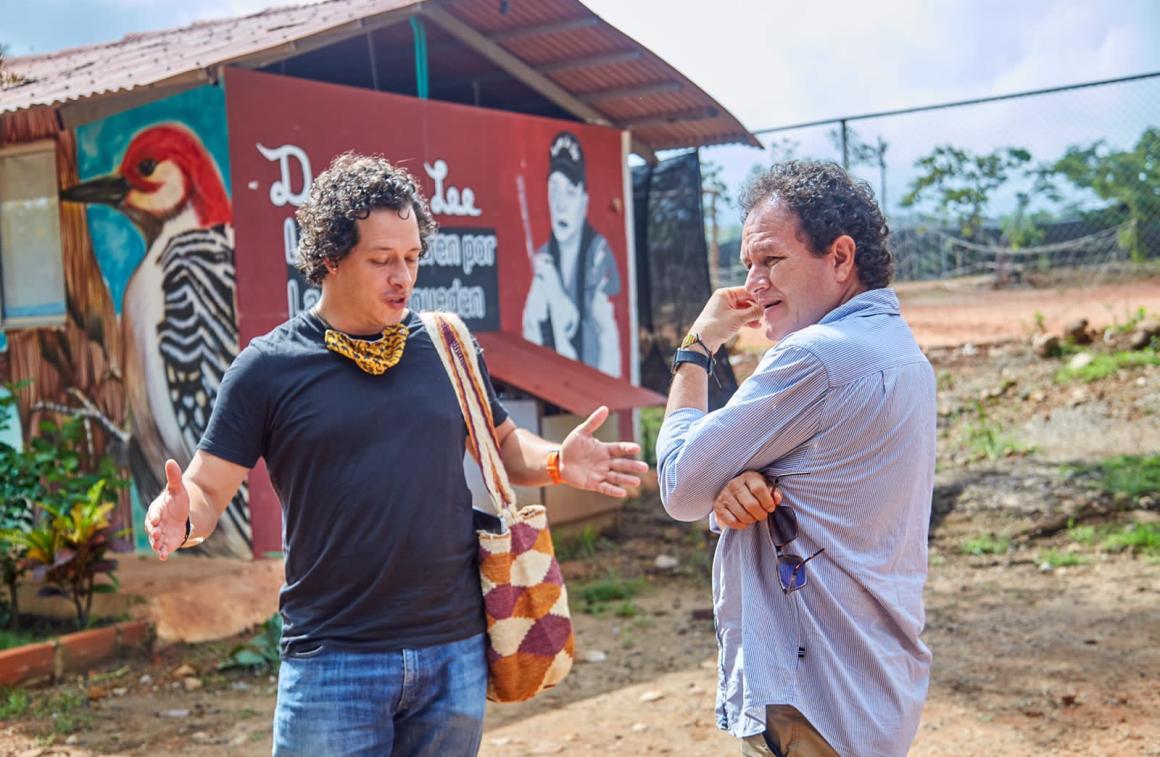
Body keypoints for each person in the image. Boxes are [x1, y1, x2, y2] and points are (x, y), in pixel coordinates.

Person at [144, 153, 648, 757]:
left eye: (411, 258)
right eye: (381, 260)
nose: (402, 277)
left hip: (454, 650)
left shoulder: (447, 346)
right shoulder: (267, 369)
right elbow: (207, 489)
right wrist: (183, 516)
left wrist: (560, 461)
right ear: (330, 258)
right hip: (334, 660)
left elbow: (503, 445)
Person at [656, 160, 935, 757]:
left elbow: (679, 484)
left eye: (771, 260)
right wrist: (737, 485)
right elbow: (823, 483)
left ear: (840, 257)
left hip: (814, 697)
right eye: (748, 265)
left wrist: (697, 347)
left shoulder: (816, 357)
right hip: (875, 690)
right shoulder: (900, 350)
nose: (753, 284)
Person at [521, 130, 621, 376]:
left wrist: (557, 298)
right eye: (554, 191)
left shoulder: (599, 255)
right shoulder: (544, 258)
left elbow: (603, 337)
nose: (560, 204)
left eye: (570, 192)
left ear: (584, 201)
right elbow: (531, 331)